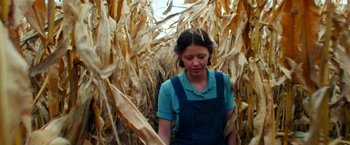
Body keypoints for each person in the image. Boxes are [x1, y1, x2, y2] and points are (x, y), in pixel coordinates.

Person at [157, 28, 237, 145]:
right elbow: (164, 135)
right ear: (180, 56)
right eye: (189, 58)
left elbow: (231, 129)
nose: (195, 63)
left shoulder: (223, 82)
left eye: (201, 57)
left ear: (209, 53)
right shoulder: (169, 88)